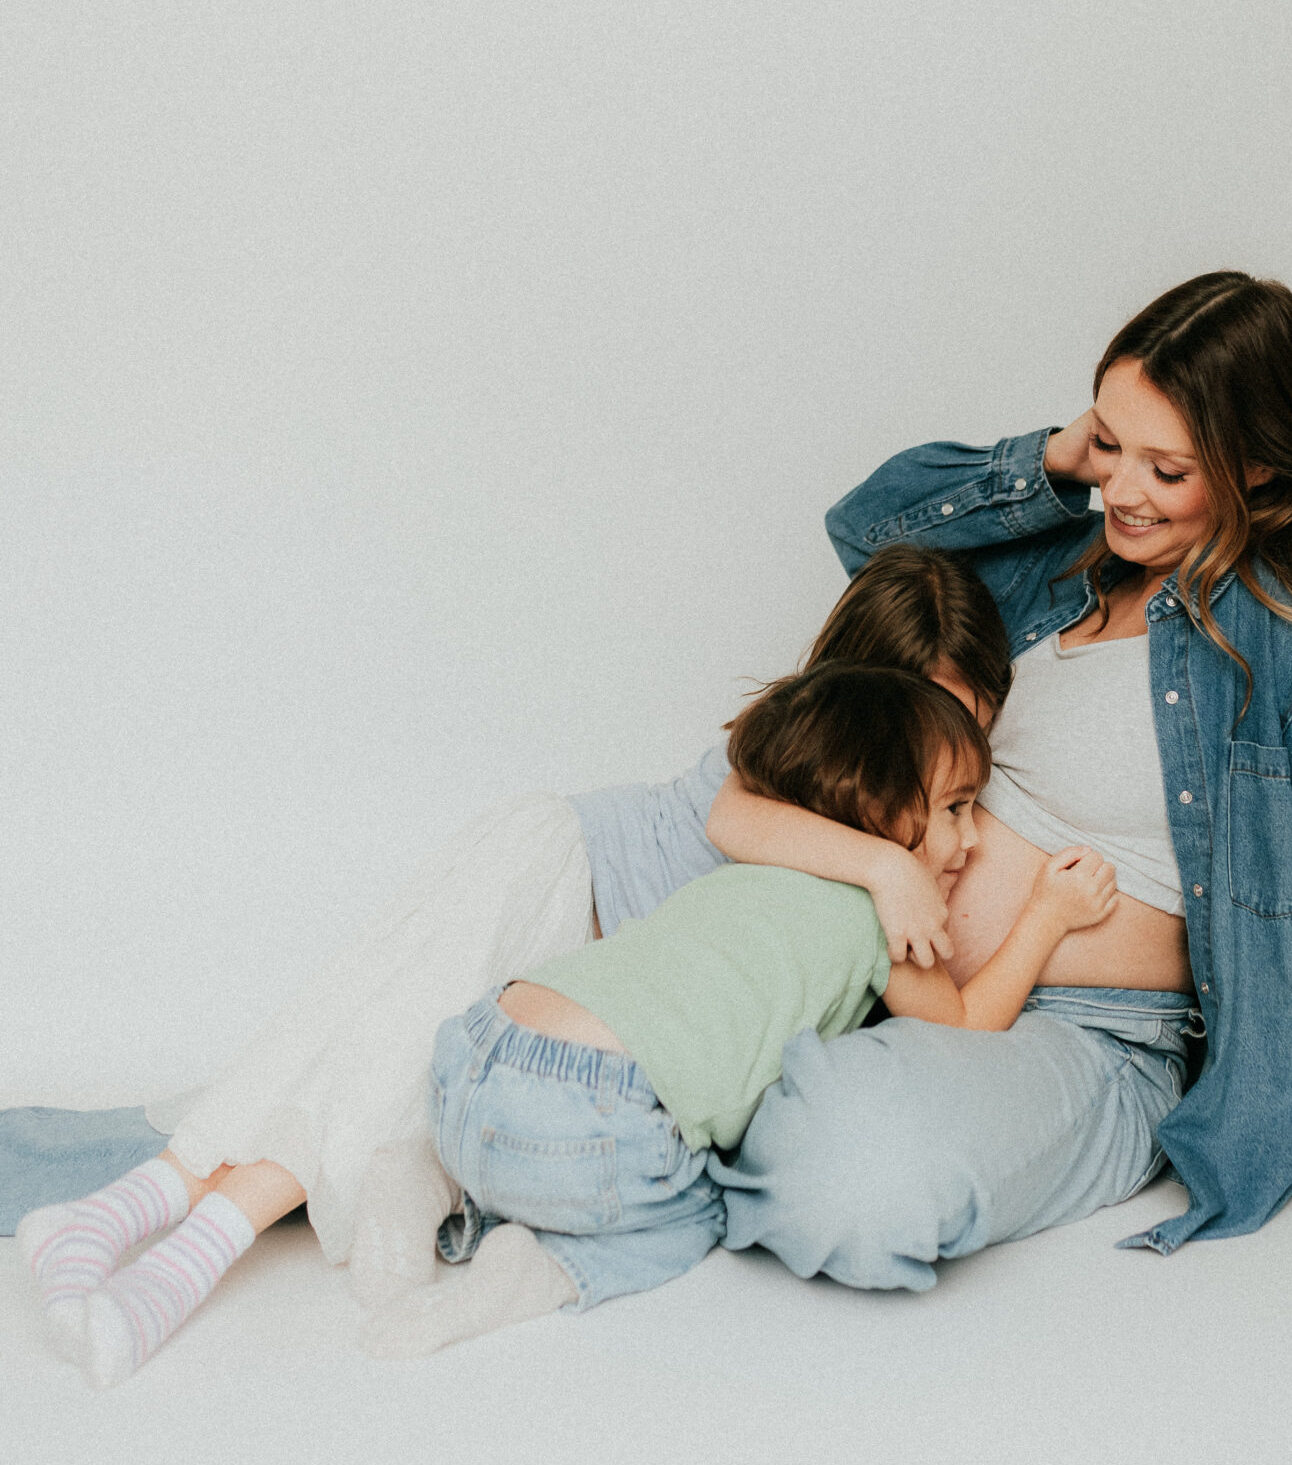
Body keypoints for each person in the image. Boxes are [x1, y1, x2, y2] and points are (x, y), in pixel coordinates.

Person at [702, 269, 1292, 1291]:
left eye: (1167, 468)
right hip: (855, 919)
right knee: (595, 852)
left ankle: (676, 1128)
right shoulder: (1066, 555)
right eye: (1112, 445)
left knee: (858, 1180)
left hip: (1083, 1027)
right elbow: (868, 537)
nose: (1122, 492)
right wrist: (1049, 460)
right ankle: (619, 1103)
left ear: (1259, 471)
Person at [34, 665, 1121, 1384]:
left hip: (475, 1058)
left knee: (368, 1059)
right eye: (959, 808)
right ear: (880, 808)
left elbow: (743, 810)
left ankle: (419, 1177)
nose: (973, 839)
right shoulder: (887, 914)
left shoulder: (768, 838)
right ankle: (519, 1273)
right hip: (583, 1106)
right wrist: (1047, 914)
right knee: (717, 1202)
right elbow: (975, 1020)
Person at [9, 545, 1012, 1304]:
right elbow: (728, 822)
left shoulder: (887, 841)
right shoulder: (788, 785)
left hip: (579, 1002)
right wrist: (886, 864)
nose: (946, 756)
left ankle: (165, 1213)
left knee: (364, 1081)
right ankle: (144, 1224)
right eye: (925, 719)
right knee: (346, 1071)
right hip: (554, 879)